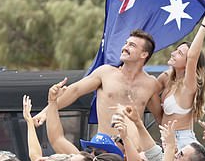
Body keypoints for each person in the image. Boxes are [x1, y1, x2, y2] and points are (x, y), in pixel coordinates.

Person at [34, 30, 162, 135]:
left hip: (135, 151)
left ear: (144, 54)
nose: (125, 48)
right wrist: (45, 112)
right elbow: (75, 91)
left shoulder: (151, 84)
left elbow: (160, 118)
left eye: (132, 45)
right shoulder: (105, 72)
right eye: (126, 43)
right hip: (105, 148)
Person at [157, 8, 205, 149]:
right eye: (176, 50)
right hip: (167, 140)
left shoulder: (188, 84)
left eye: (179, 53)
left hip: (182, 142)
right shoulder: (167, 79)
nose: (173, 53)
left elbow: (192, 57)